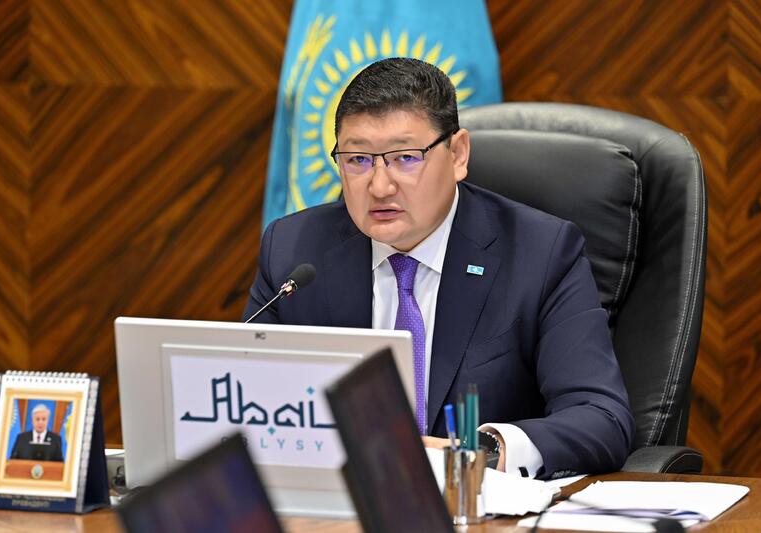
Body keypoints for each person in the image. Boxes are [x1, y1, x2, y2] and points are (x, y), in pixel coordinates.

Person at [243, 57, 634, 479]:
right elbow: (246, 401)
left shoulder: (540, 253)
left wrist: (480, 452)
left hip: (476, 504)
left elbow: (601, 418)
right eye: (357, 159)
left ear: (458, 154)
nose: (379, 186)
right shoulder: (294, 250)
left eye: (405, 158)